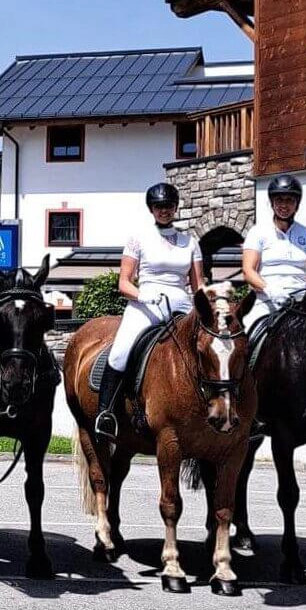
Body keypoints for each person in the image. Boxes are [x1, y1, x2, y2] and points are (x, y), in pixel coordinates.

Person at [94, 182, 203, 440]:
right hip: (146, 302)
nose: (164, 211)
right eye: (159, 207)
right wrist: (143, 295)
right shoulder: (138, 238)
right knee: (120, 352)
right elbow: (124, 282)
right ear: (151, 209)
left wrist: (206, 308)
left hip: (182, 305)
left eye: (168, 206)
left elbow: (198, 285)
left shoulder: (191, 242)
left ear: (176, 208)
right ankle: (105, 413)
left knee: (214, 347)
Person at [242, 173, 306, 331]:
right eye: (279, 200)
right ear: (272, 203)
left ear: (297, 204)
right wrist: (270, 290)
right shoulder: (258, 232)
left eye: (289, 200)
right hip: (266, 301)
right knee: (248, 335)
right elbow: (248, 271)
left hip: (301, 301)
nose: (284, 205)